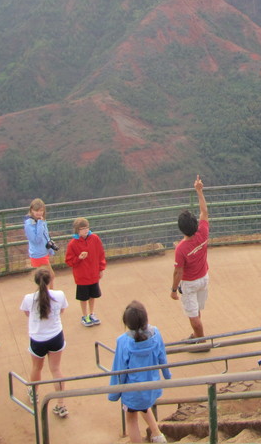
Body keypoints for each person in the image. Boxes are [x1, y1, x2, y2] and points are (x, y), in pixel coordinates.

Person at [109, 300, 171, 443]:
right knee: (144, 406)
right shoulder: (156, 333)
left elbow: (119, 370)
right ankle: (158, 435)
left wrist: (114, 393)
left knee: (131, 419)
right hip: (151, 386)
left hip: (133, 390)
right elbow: (162, 356)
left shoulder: (123, 341)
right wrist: (167, 375)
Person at [20, 266, 70, 418]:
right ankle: (61, 404)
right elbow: (62, 311)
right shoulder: (59, 295)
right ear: (51, 280)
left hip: (38, 338)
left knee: (37, 368)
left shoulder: (28, 298)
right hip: (56, 337)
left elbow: (27, 313)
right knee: (56, 369)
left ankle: (34, 393)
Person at [170, 175, 209, 340]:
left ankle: (200, 340)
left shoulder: (181, 249)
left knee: (193, 316)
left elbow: (178, 272)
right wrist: (199, 191)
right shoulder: (203, 231)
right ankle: (196, 335)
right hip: (204, 278)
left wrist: (173, 290)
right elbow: (204, 211)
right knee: (196, 308)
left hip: (190, 283)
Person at [65, 217, 107, 327]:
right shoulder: (72, 244)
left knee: (93, 295)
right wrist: (78, 258)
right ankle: (84, 315)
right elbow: (69, 261)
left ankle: (92, 313)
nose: (85, 230)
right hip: (82, 276)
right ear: (77, 230)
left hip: (93, 274)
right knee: (83, 297)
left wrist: (101, 269)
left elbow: (101, 254)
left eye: (87, 228)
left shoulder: (95, 238)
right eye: (82, 229)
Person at [24, 198, 56, 273]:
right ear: (32, 210)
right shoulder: (29, 224)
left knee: (48, 276)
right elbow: (37, 240)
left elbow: (46, 236)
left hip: (44, 252)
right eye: (36, 211)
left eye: (41, 211)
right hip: (38, 255)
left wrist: (50, 249)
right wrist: (40, 223)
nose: (39, 213)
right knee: (49, 276)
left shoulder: (41, 220)